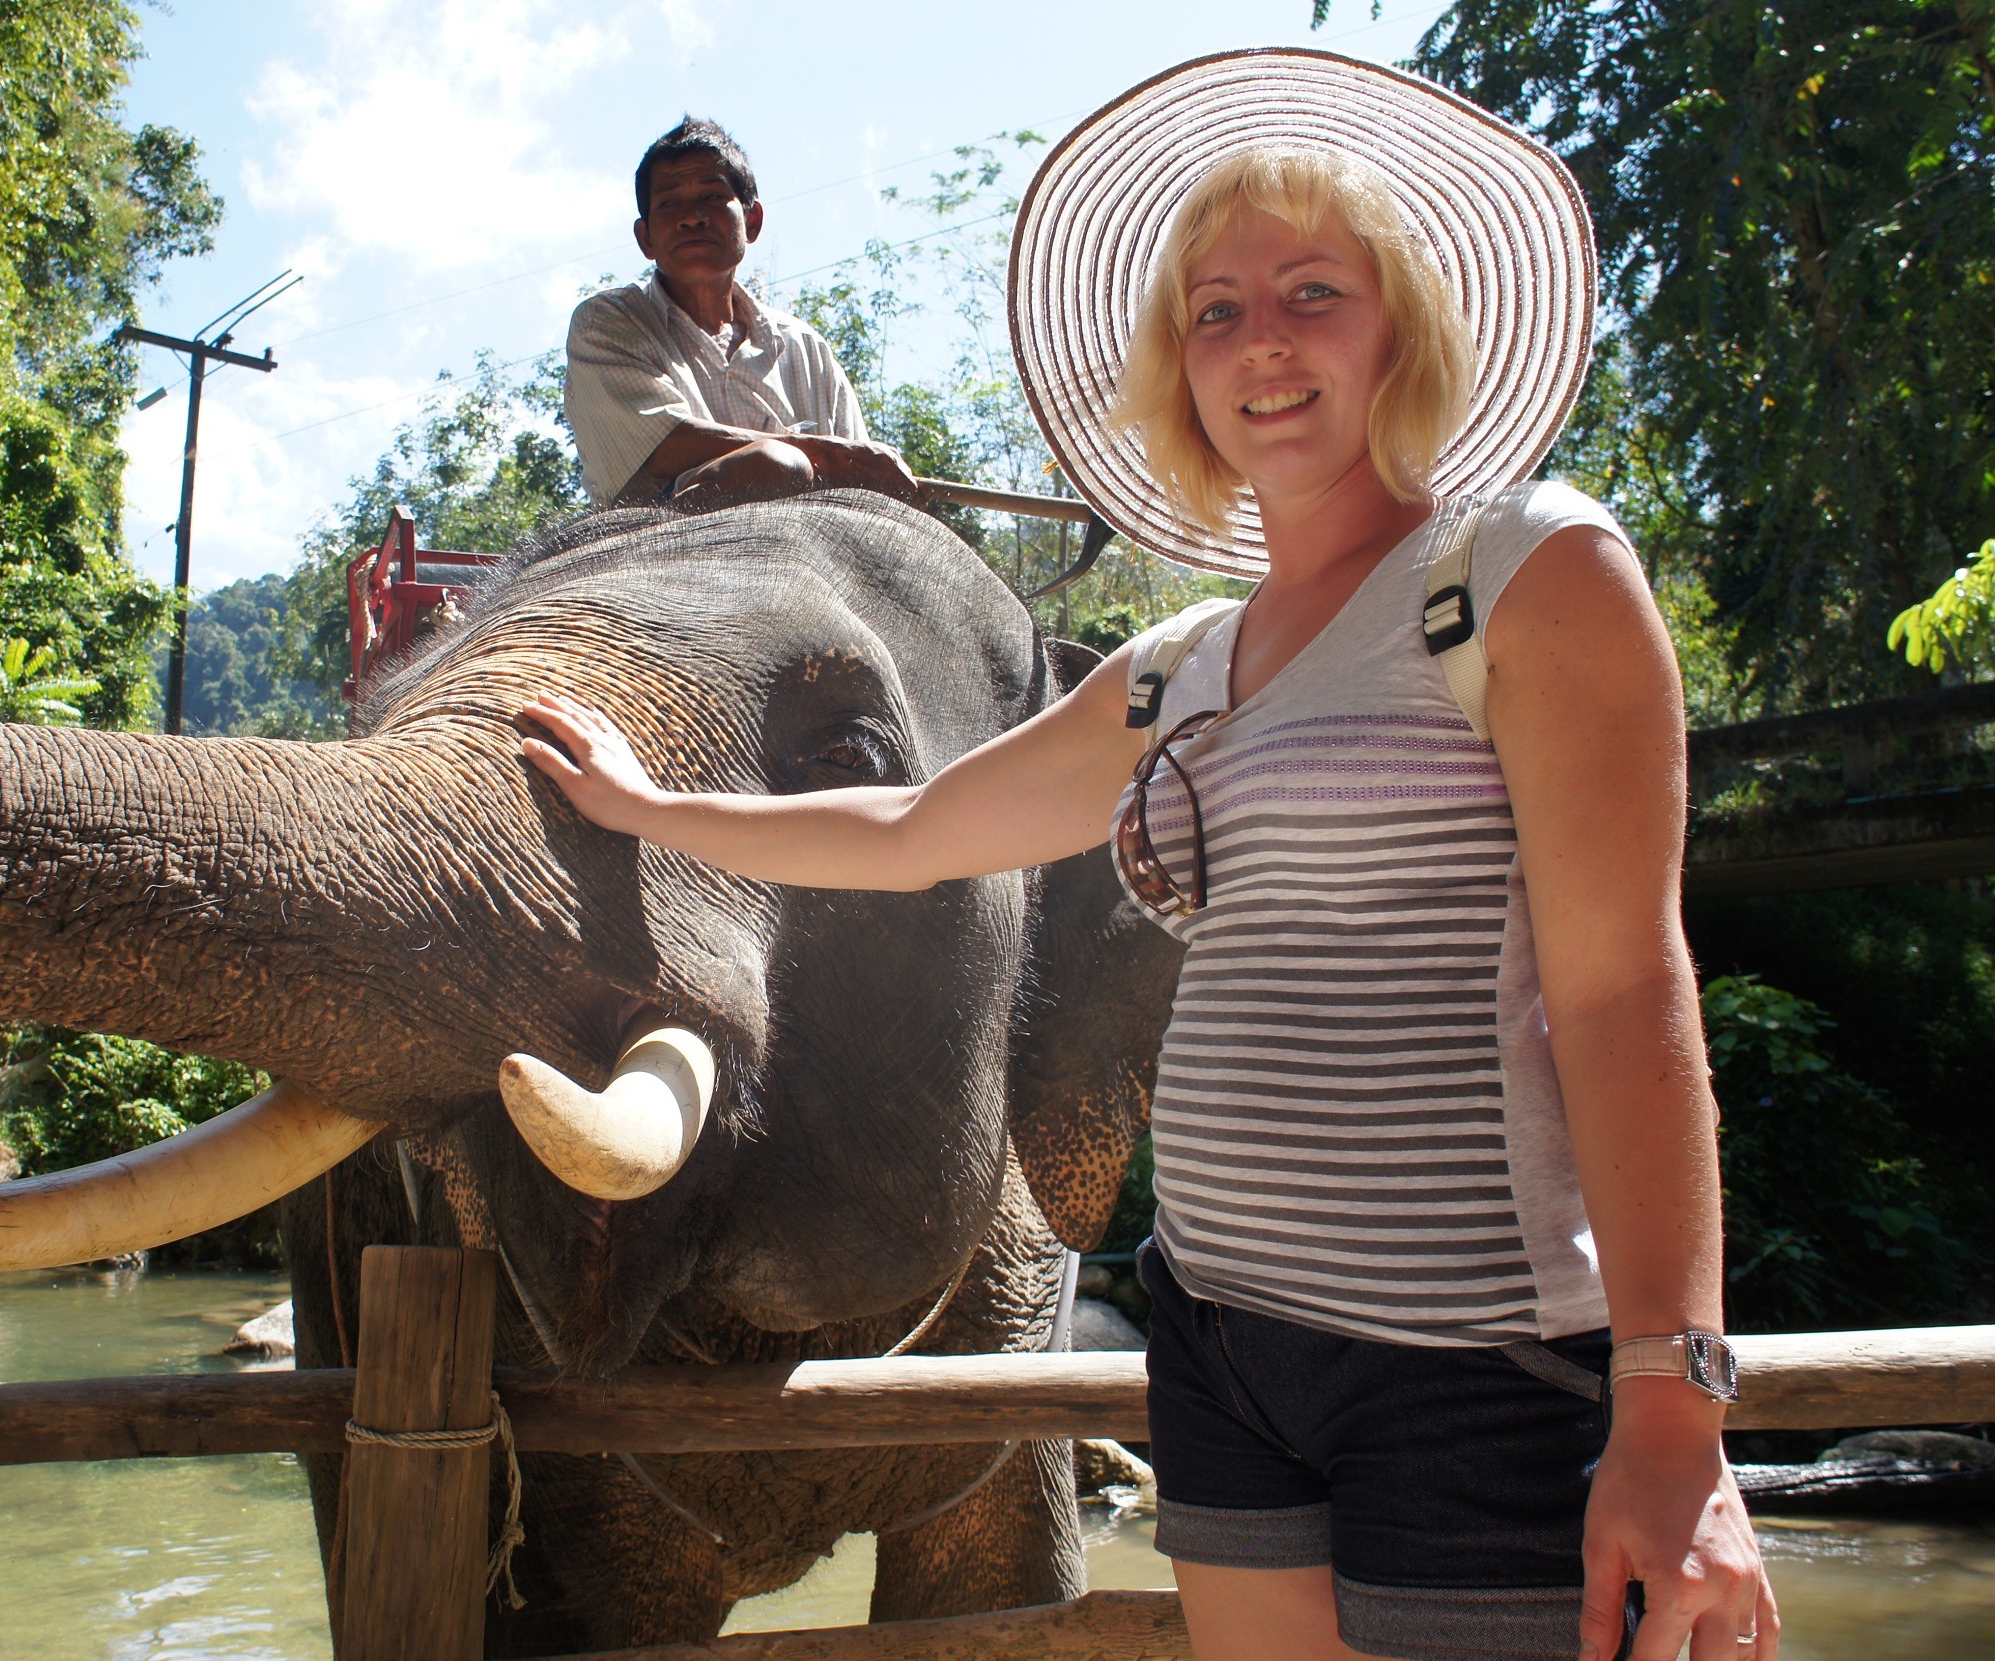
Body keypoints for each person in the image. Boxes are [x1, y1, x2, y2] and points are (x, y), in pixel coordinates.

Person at [521, 52, 1777, 1661]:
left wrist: (1674, 1404)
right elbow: (920, 827)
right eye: (1214, 312)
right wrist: (652, 810)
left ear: (1400, 327)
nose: (1262, 343)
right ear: (1183, 371)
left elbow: (1622, 991)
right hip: (1224, 1342)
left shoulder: (1526, 574)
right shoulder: (1183, 663)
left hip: (1469, 1352)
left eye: (1312, 293)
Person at [564, 115, 923, 511]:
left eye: (712, 197)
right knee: (776, 463)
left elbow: (864, 481)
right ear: (645, 238)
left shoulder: (806, 349)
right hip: (660, 538)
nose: (691, 217)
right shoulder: (609, 322)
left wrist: (862, 466)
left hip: (814, 541)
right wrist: (826, 454)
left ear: (752, 222)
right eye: (668, 203)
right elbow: (661, 445)